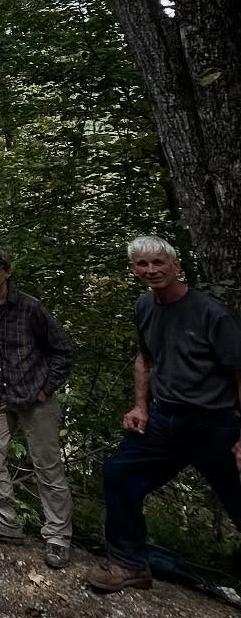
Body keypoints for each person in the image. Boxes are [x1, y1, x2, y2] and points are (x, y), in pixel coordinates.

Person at [87, 237, 241, 595]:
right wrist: (141, 406)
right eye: (142, 264)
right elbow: (146, 359)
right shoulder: (145, 306)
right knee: (120, 473)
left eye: (158, 262)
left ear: (176, 266)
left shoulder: (210, 313)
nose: (151, 270)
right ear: (133, 269)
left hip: (215, 422)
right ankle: (128, 565)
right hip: (165, 418)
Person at [0, 246, 74, 567]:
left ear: (7, 271)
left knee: (47, 467)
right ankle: (5, 522)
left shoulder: (30, 308)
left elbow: (62, 351)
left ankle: (57, 537)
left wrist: (46, 388)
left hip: (35, 396)